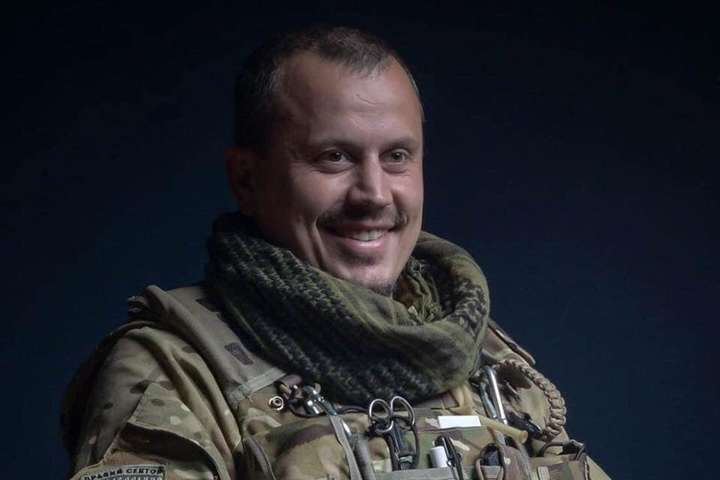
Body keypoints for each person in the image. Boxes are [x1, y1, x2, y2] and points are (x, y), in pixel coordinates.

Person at [62, 26, 611, 480]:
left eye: (396, 156)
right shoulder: (177, 370)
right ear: (246, 179)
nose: (374, 194)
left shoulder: (484, 358)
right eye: (334, 157)